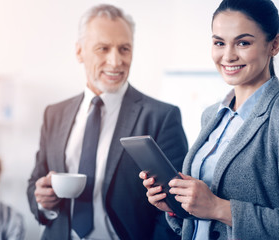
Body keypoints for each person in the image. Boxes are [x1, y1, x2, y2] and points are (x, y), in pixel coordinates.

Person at [140, 0, 279, 239]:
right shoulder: (211, 115)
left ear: (274, 45)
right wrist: (176, 206)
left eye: (243, 43)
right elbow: (203, 217)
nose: (228, 56)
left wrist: (218, 207)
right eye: (219, 43)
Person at [27, 4, 188, 240]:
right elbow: (35, 181)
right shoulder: (54, 114)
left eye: (124, 49)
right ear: (79, 51)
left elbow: (177, 206)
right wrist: (42, 202)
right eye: (103, 48)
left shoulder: (161, 117)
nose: (115, 61)